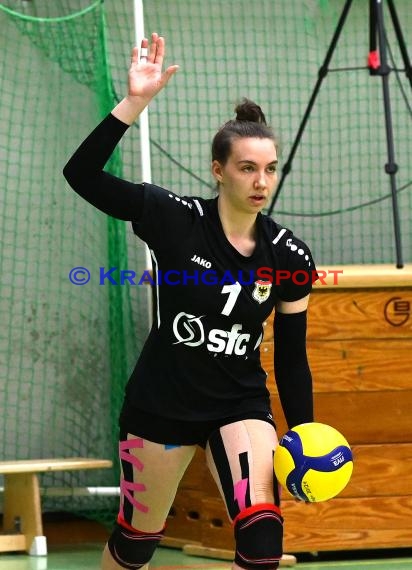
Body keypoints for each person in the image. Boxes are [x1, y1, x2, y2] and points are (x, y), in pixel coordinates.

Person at [63, 32, 316, 570]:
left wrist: (306, 434)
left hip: (239, 404)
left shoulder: (289, 254)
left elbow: (293, 358)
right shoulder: (174, 219)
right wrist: (133, 103)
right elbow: (80, 175)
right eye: (247, 168)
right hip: (162, 404)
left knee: (263, 535)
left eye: (269, 168)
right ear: (218, 169)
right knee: (136, 543)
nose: (260, 181)